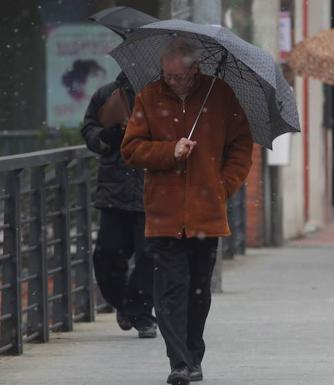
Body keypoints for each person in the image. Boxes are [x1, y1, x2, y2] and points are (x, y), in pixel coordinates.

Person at [121, 39, 253, 385]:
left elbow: (241, 144)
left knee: (198, 290)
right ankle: (178, 363)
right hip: (163, 214)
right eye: (168, 76)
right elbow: (131, 150)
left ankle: (194, 354)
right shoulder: (149, 98)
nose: (173, 82)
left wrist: (224, 186)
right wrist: (170, 151)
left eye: (180, 76)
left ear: (195, 70)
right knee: (169, 291)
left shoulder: (220, 95)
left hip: (206, 214)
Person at [81, 72, 157, 339]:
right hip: (115, 189)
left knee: (151, 256)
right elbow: (89, 130)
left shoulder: (166, 96)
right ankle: (125, 304)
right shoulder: (107, 95)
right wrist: (107, 136)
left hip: (154, 190)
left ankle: (141, 311)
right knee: (106, 256)